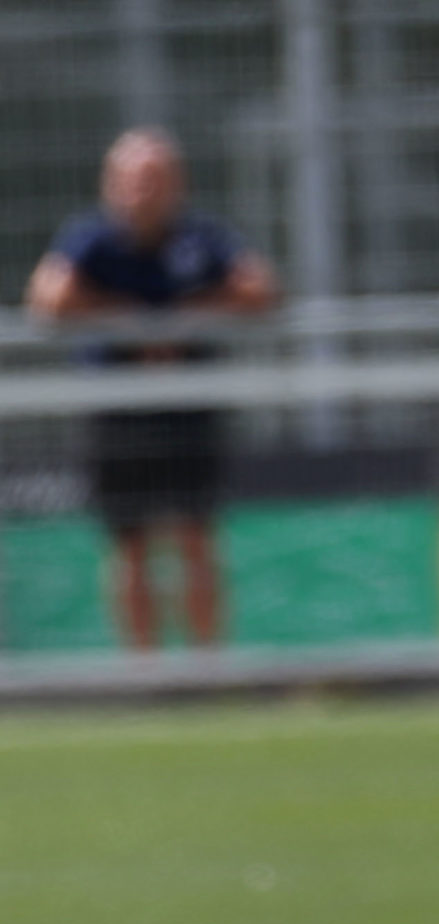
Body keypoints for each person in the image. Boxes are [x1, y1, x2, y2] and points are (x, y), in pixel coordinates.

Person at [23, 128, 277, 648]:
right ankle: (144, 677)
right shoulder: (92, 240)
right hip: (117, 414)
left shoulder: (202, 239)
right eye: (135, 181)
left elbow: (260, 289)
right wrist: (133, 324)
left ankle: (209, 672)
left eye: (156, 181)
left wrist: (180, 322)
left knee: (195, 540)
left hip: (186, 411)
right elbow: (48, 299)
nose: (145, 192)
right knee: (130, 546)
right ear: (111, 184)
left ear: (178, 185)